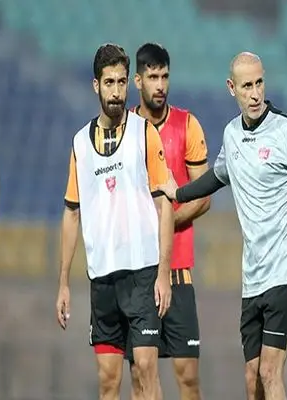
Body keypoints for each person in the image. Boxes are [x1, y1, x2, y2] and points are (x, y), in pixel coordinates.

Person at [158, 52, 287, 400]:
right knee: (252, 377)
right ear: (231, 88)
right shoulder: (231, 134)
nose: (255, 93)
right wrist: (179, 192)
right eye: (247, 86)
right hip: (253, 278)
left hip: (285, 272)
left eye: (259, 83)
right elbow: (217, 177)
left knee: (270, 371)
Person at [55, 43, 173, 400]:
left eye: (122, 82)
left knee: (146, 370)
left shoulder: (144, 133)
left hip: (142, 273)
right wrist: (63, 282)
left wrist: (164, 273)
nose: (117, 91)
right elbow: (71, 212)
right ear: (96, 85)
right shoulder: (80, 143)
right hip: (102, 278)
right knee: (108, 380)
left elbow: (165, 204)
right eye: (109, 83)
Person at [95, 42, 210, 400]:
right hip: (136, 271)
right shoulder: (125, 128)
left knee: (187, 375)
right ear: (138, 81)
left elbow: (203, 195)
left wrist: (165, 222)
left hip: (178, 269)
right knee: (140, 374)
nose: (160, 85)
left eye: (165, 77)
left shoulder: (187, 125)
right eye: (153, 77)